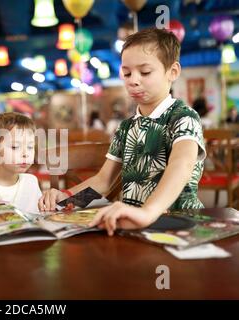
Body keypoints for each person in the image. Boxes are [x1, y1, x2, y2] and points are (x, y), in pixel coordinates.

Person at [39, 28, 206, 235]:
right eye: (126, 73)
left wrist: (147, 212)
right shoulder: (126, 127)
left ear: (172, 72)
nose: (133, 80)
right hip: (130, 224)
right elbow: (103, 181)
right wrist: (65, 199)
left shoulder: (183, 117)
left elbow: (183, 164)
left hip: (179, 223)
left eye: (145, 72)